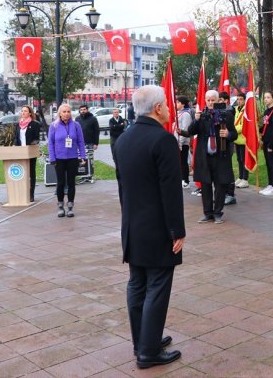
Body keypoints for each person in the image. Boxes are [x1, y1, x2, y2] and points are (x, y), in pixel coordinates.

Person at [115, 85, 185, 369]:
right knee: (157, 286)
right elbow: (171, 192)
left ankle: (143, 341)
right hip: (157, 228)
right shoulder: (163, 140)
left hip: (133, 226)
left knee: (137, 284)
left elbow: (123, 190)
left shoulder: (123, 140)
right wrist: (177, 231)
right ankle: (148, 351)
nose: (169, 109)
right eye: (166, 104)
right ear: (157, 108)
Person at [184, 90, 237, 224]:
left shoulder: (226, 115)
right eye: (208, 100)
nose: (210, 102)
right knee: (206, 186)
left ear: (219, 100)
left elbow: (234, 134)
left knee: (220, 186)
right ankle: (207, 213)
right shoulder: (201, 116)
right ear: (205, 101)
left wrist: (228, 135)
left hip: (221, 156)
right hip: (205, 157)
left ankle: (218, 213)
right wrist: (195, 120)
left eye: (213, 100)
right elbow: (191, 131)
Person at [48, 104, 86, 218]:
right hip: (59, 159)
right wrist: (52, 158)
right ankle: (60, 206)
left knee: (71, 183)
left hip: (72, 158)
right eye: (64, 111)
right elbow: (50, 143)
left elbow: (81, 142)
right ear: (59, 113)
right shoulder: (53, 126)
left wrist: (83, 156)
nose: (66, 114)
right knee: (60, 183)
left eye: (68, 111)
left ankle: (70, 206)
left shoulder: (76, 125)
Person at [14, 105, 42, 203]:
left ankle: (31, 194)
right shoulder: (18, 124)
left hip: (30, 152)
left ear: (30, 113)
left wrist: (33, 143)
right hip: (20, 152)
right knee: (22, 173)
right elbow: (16, 138)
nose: (23, 113)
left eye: (25, 111)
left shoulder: (35, 124)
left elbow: (36, 138)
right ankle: (22, 194)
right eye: (22, 111)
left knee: (31, 173)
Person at [259, 91, 273, 196]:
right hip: (266, 141)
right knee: (268, 164)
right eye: (265, 97)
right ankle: (270, 184)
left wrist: (271, 145)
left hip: (272, 142)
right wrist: (258, 130)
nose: (266, 99)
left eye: (268, 97)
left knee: (272, 164)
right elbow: (265, 126)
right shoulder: (266, 112)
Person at [232, 93, 249, 189]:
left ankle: (245, 179)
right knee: (239, 159)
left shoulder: (246, 110)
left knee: (244, 160)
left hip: (243, 138)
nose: (239, 101)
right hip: (237, 139)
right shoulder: (237, 109)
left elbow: (244, 125)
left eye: (241, 99)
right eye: (238, 99)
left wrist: (233, 129)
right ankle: (240, 176)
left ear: (245, 100)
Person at [175, 96, 192, 188]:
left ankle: (186, 180)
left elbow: (185, 129)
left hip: (183, 142)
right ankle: (181, 178)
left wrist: (180, 142)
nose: (176, 104)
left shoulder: (186, 114)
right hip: (177, 141)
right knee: (179, 161)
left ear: (183, 104)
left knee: (183, 161)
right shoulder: (178, 113)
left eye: (178, 102)